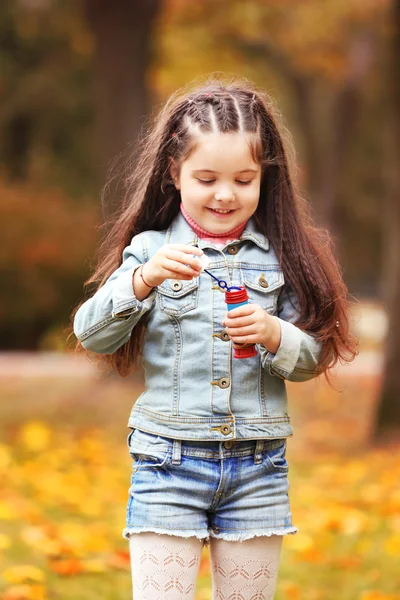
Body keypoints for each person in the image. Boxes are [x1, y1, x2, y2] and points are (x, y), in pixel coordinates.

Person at [72, 77, 357, 600]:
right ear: (175, 173)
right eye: (206, 178)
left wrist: (275, 334)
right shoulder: (150, 250)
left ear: (264, 180)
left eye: (243, 180)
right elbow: (92, 334)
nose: (225, 194)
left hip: (258, 466)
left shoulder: (282, 255)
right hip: (166, 463)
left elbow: (313, 356)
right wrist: (143, 280)